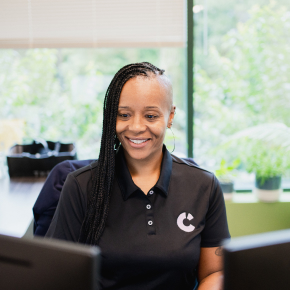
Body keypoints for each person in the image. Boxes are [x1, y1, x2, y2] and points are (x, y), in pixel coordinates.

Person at [45, 62, 230, 290]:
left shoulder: (204, 186)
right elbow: (57, 276)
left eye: (150, 116)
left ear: (170, 116)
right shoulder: (81, 186)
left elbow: (215, 271)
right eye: (124, 114)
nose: (136, 127)